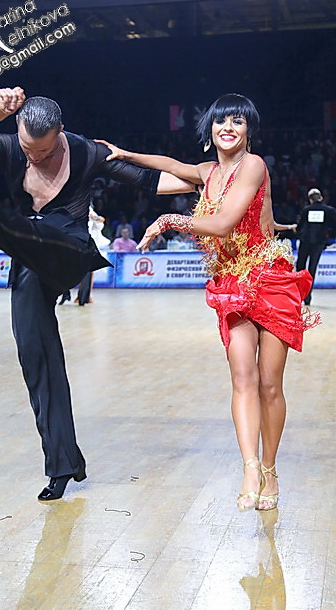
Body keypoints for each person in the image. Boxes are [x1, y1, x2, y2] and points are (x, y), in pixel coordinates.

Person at [0, 86, 187, 502]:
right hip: (28, 259)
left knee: (19, 224)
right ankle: (64, 463)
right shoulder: (14, 147)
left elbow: (150, 181)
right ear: (19, 130)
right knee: (37, 358)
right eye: (27, 147)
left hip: (67, 248)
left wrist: (214, 179)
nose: (33, 157)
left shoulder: (87, 152)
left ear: (60, 132)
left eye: (42, 151)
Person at [97, 93, 320, 512]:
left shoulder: (253, 166)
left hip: (270, 280)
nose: (228, 128)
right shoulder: (207, 172)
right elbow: (168, 164)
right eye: (221, 121)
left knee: (270, 385)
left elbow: (222, 223)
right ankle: (249, 467)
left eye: (237, 121)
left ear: (249, 131)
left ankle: (270, 469)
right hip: (231, 283)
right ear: (209, 130)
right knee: (242, 378)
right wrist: (124, 153)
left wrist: (169, 220)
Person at [295, 188, 336, 305]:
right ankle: (308, 297)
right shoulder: (329, 210)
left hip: (305, 241)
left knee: (300, 266)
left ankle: (299, 294)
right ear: (321, 198)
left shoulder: (306, 209)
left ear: (310, 200)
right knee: (312, 269)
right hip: (319, 242)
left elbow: (300, 226)